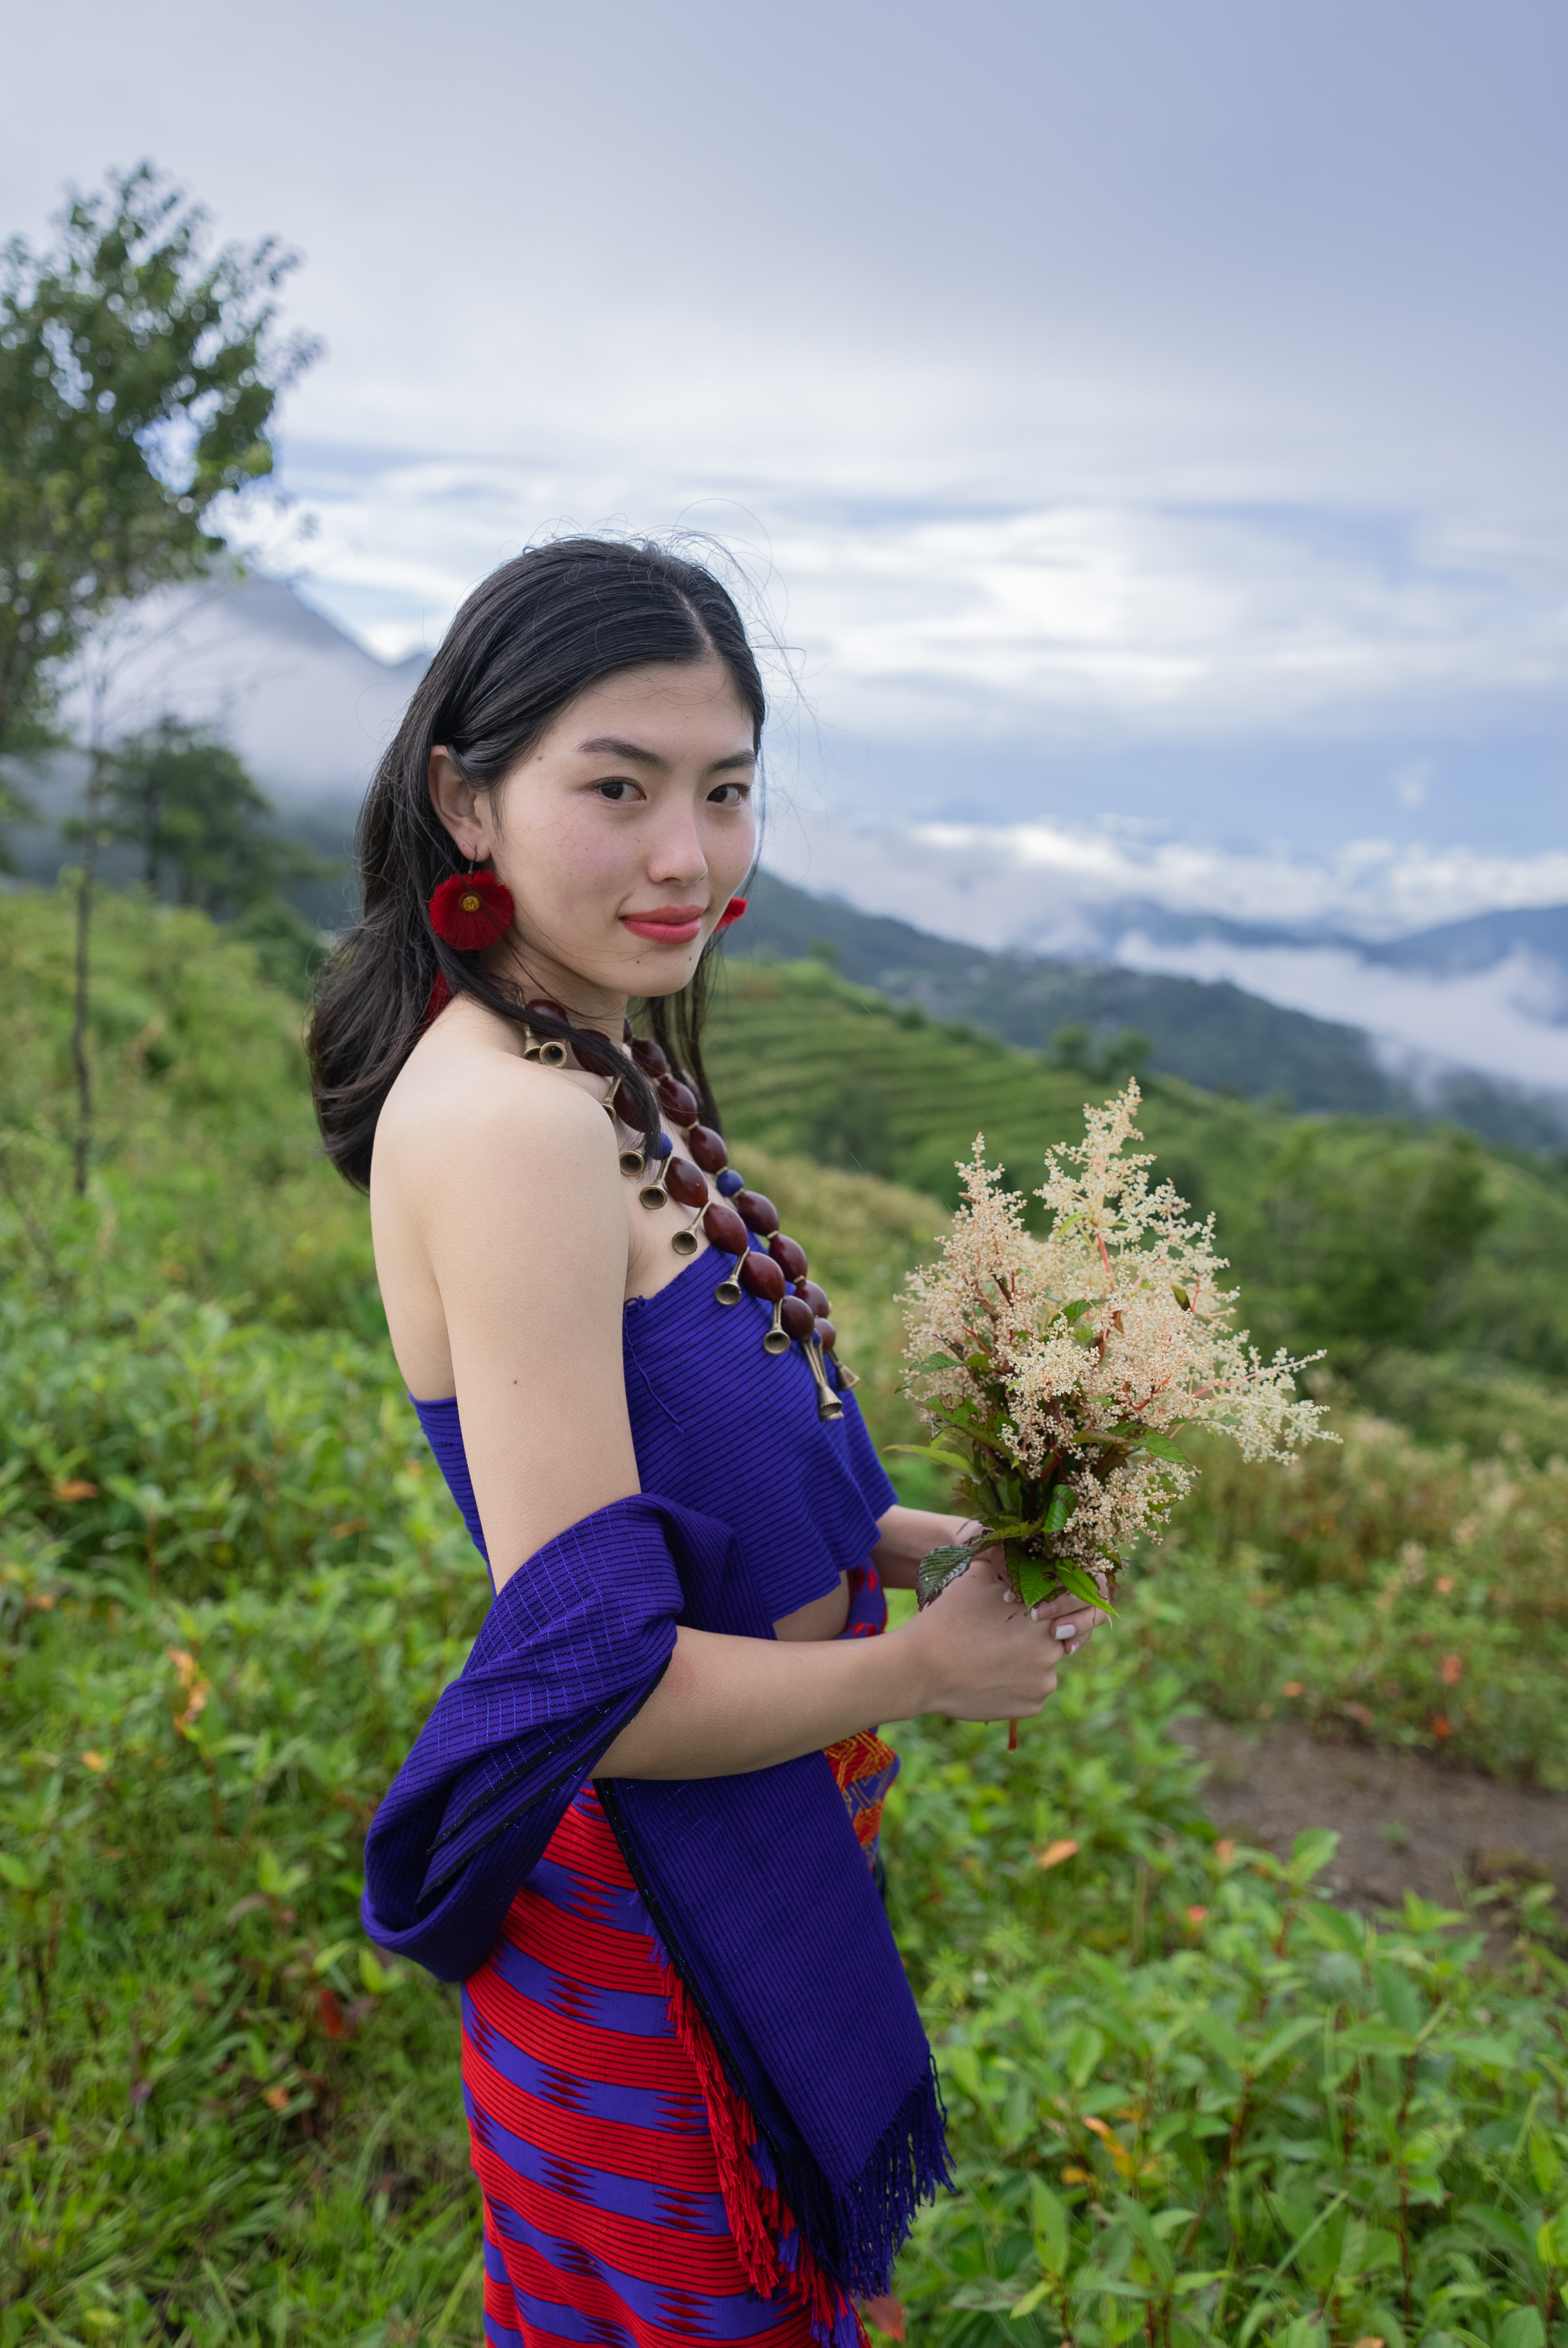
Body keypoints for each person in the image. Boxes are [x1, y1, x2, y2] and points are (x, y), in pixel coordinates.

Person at [308, 538, 1103, 2348]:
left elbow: (708, 1490)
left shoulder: (604, 1054)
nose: (688, 854)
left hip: (756, 1850)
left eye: (727, 792)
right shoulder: (516, 1126)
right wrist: (919, 1670)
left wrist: (923, 1540)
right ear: (466, 795)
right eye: (620, 787)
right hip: (654, 1918)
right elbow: (608, 1679)